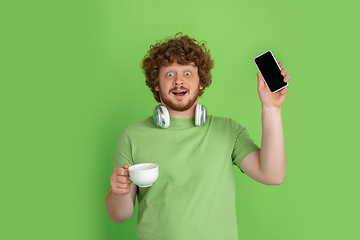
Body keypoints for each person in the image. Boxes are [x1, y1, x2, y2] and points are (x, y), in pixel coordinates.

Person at [105, 33, 290, 240]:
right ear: (156, 84)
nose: (178, 82)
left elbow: (273, 175)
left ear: (201, 82)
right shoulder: (133, 135)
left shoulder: (229, 130)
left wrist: (271, 108)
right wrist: (118, 191)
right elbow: (119, 215)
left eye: (187, 73)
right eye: (169, 74)